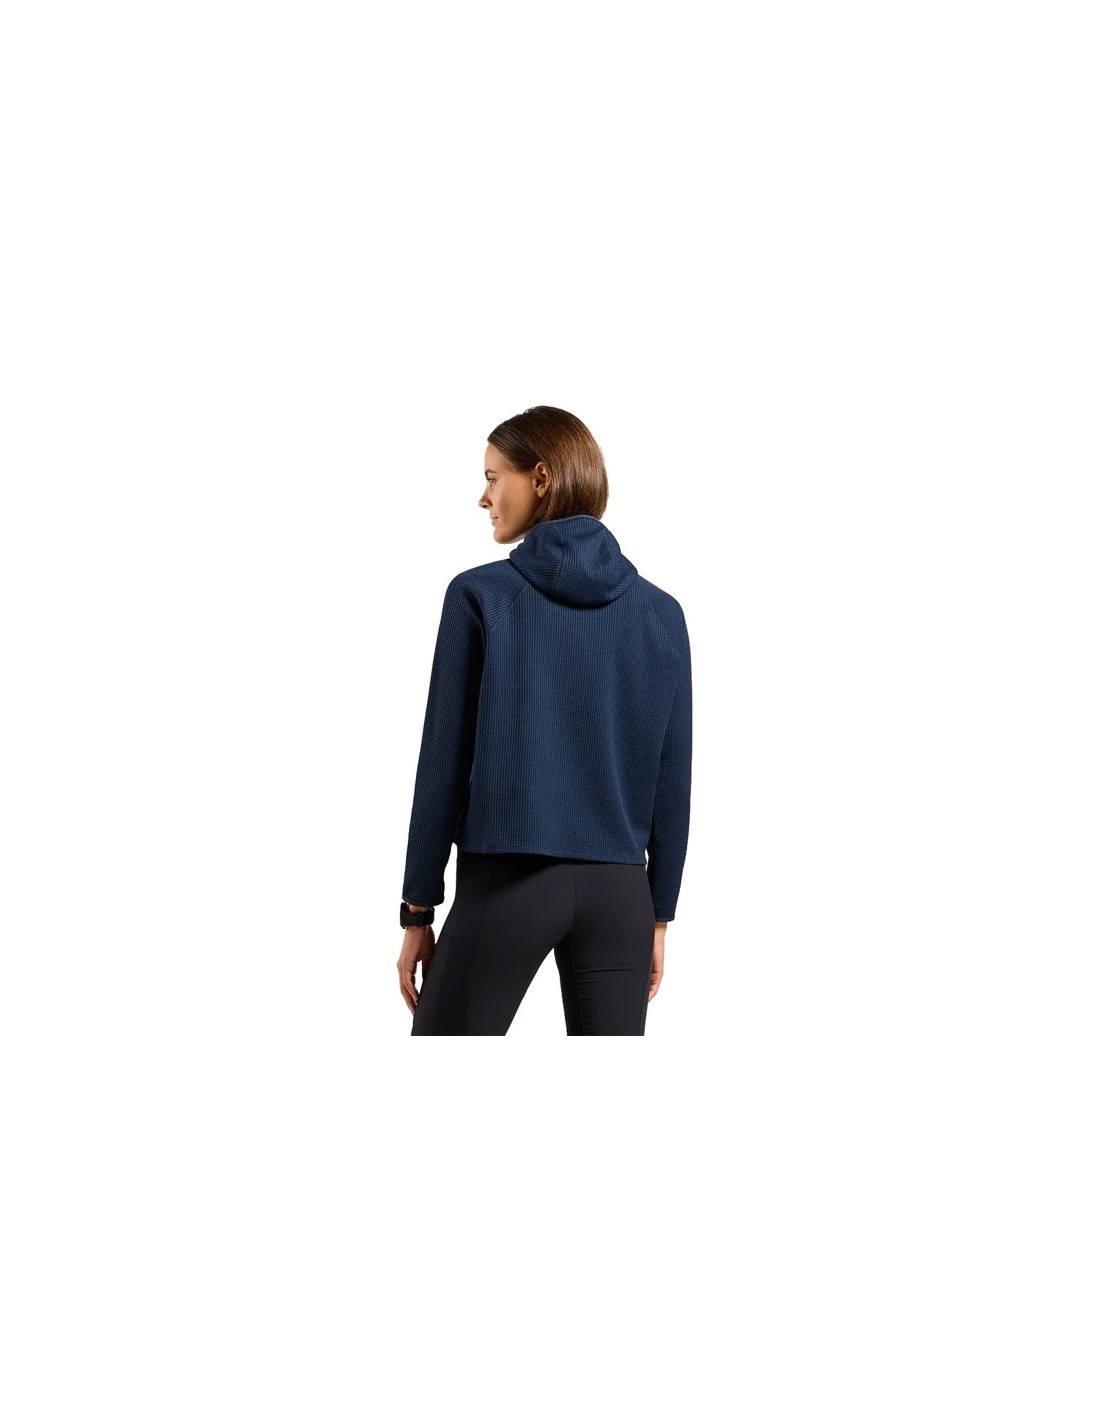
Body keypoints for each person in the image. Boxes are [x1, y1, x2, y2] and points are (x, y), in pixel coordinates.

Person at [397, 406, 692, 1035]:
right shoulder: (662, 614)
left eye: (492, 477)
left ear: (540, 478)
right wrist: (658, 913)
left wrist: (417, 909)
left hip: (508, 881)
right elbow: (673, 781)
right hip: (621, 897)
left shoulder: (480, 595)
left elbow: (443, 764)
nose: (483, 498)